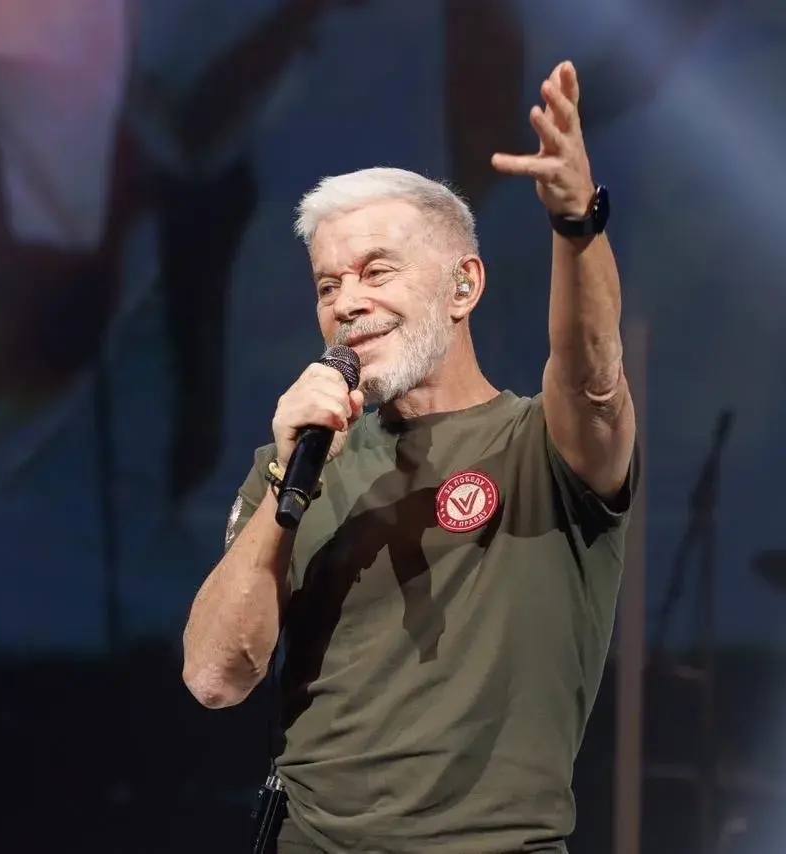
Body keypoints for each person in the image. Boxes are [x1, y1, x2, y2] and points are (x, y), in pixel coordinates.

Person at [183, 60, 638, 853]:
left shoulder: (541, 448)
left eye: (376, 272)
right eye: (328, 286)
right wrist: (288, 490)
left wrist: (576, 224)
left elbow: (592, 373)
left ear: (463, 287)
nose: (348, 303)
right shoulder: (296, 464)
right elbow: (215, 677)